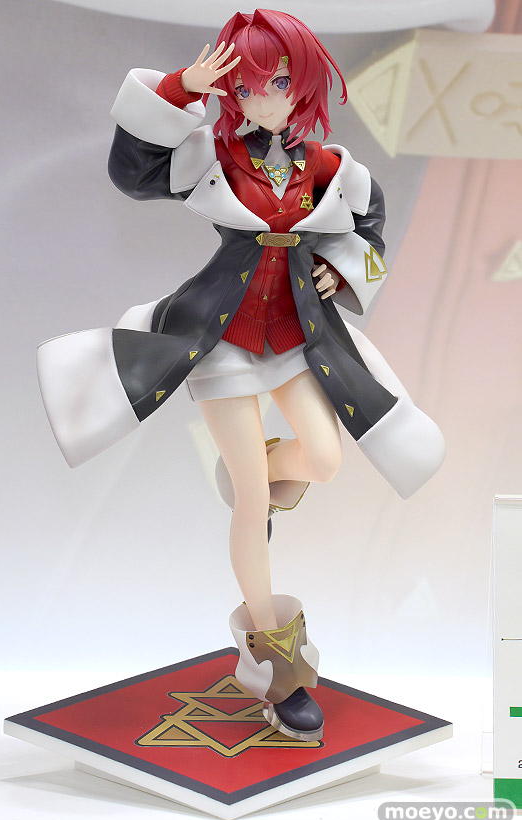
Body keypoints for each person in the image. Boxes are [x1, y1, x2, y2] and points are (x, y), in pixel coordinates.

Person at [37, 9, 445, 741]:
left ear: (302, 87)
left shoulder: (328, 167)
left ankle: (245, 469)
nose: (264, 98)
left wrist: (340, 267)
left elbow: (370, 227)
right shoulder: (214, 157)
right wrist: (180, 89)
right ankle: (274, 658)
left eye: (279, 83)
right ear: (232, 92)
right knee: (254, 500)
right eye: (249, 86)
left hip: (294, 332)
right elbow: (132, 173)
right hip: (222, 336)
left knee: (324, 459)